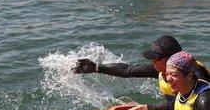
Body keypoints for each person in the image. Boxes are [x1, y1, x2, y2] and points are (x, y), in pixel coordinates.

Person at [73, 35, 210, 103]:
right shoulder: (161, 70)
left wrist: (145, 109)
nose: (153, 62)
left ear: (171, 58)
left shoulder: (194, 75)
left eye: (157, 59)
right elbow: (128, 71)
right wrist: (96, 68)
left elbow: (197, 105)